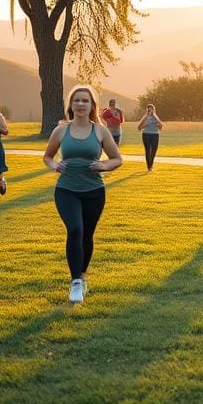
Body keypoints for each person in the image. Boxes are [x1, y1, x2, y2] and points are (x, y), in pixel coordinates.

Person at [43, 85, 122, 304]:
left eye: (85, 101)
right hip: (66, 189)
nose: (80, 104)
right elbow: (48, 156)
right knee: (75, 229)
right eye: (76, 100)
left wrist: (103, 166)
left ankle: (83, 275)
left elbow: (117, 159)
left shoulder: (100, 131)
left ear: (92, 106)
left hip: (94, 191)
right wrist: (54, 165)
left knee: (87, 234)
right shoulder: (60, 130)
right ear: (71, 105)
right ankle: (76, 282)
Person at [136, 103, 164, 171]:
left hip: (155, 135)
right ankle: (149, 167)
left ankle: (151, 164)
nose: (150, 110)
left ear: (154, 110)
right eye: (148, 109)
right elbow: (139, 128)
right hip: (146, 134)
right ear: (147, 110)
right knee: (148, 150)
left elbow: (161, 127)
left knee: (154, 150)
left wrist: (154, 116)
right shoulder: (145, 117)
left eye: (151, 109)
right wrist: (145, 124)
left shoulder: (156, 117)